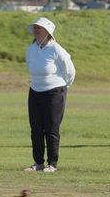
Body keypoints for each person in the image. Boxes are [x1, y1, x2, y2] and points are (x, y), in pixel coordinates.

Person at [24, 17, 76, 173]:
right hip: (35, 91)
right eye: (35, 28)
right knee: (36, 128)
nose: (36, 31)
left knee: (51, 128)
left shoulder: (56, 49)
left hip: (55, 92)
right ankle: (38, 163)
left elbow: (70, 71)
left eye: (39, 28)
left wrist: (63, 87)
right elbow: (31, 67)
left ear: (47, 31)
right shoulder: (30, 50)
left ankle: (52, 163)